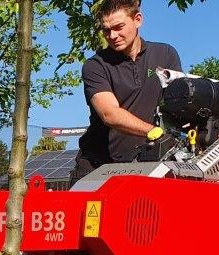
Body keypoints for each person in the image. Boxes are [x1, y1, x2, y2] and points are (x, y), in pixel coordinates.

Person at [72, 0, 182, 183]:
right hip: (97, 167)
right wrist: (154, 132)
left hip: (146, 164)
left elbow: (179, 102)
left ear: (137, 20)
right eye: (106, 30)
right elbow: (109, 114)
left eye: (119, 27)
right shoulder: (96, 66)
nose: (112, 35)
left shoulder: (165, 54)